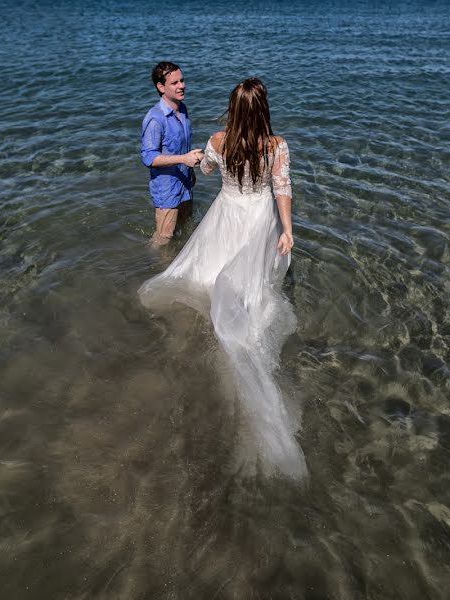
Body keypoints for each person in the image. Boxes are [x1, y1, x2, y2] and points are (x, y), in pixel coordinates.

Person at [139, 78, 305, 478]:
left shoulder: (218, 139)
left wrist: (206, 159)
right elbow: (282, 188)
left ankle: (213, 308)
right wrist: (287, 230)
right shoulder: (276, 145)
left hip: (227, 213)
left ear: (233, 108)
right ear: (263, 108)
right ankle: (244, 312)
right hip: (258, 215)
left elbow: (209, 169)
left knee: (211, 269)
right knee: (254, 279)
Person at [141, 62, 204, 245]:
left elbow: (182, 146)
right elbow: (148, 157)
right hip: (166, 187)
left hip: (185, 181)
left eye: (182, 81)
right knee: (163, 238)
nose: (182, 86)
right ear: (161, 87)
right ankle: (153, 269)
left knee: (185, 227)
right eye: (175, 83)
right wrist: (184, 159)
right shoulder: (155, 118)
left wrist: (190, 168)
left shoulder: (182, 109)